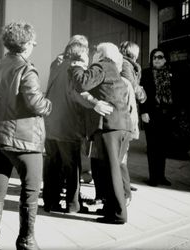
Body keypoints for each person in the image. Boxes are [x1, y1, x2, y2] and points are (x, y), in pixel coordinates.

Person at [0, 21, 52, 250]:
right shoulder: (26, 69)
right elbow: (36, 104)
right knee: (30, 191)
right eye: (33, 42)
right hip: (23, 141)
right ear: (27, 44)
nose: (34, 46)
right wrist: (49, 104)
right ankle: (26, 241)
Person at [43, 35, 113, 213]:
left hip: (50, 122)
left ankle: (50, 202)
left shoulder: (56, 63)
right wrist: (95, 104)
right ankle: (73, 205)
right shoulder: (75, 67)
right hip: (69, 123)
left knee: (52, 164)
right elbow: (77, 93)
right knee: (71, 166)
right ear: (82, 51)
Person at [70, 42, 133, 224]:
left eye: (95, 52)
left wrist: (77, 67)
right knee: (111, 168)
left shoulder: (102, 65)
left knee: (110, 170)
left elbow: (83, 82)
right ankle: (110, 208)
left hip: (110, 126)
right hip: (121, 125)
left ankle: (118, 214)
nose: (92, 56)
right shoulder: (114, 70)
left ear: (100, 54)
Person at [140, 48, 175, 187]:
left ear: (165, 59)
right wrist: (143, 112)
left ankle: (161, 176)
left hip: (167, 115)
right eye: (154, 57)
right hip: (151, 114)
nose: (157, 59)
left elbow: (177, 93)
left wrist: (175, 113)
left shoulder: (171, 74)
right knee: (153, 146)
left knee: (163, 147)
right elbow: (141, 95)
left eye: (160, 57)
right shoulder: (146, 73)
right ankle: (153, 177)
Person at [119, 41, 147, 192]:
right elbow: (133, 87)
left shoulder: (128, 65)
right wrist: (142, 94)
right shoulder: (125, 65)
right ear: (133, 53)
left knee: (124, 148)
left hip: (127, 109)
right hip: (125, 111)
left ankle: (124, 182)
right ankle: (123, 185)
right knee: (123, 149)